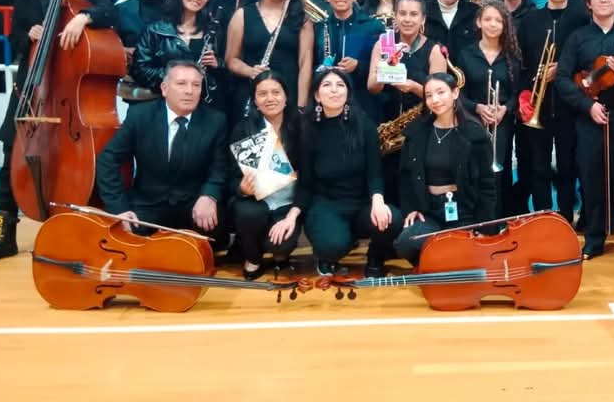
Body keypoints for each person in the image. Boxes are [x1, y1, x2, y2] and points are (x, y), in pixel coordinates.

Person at [0, 0, 118, 263]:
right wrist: (28, 34)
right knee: (11, 148)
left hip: (68, 88)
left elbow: (111, 12)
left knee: (88, 156)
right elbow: (15, 39)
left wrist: (85, 16)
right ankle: (7, 234)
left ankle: (87, 227)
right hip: (33, 86)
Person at [555, 0, 614, 267]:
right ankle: (593, 239)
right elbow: (564, 78)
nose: (604, 0)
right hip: (589, 116)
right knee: (591, 178)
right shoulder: (578, 37)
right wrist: (587, 104)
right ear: (589, 2)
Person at [96, 61, 230, 242]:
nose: (189, 91)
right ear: (165, 88)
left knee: (213, 234)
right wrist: (119, 208)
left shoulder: (215, 121)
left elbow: (219, 167)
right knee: (124, 238)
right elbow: (108, 160)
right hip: (148, 204)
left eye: (196, 85)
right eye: (181, 84)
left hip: (194, 203)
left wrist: (209, 196)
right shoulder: (140, 115)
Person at [301, 66, 402, 276]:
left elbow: (375, 172)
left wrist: (377, 200)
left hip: (360, 201)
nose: (335, 90)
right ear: (317, 95)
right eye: (327, 85)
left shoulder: (364, 125)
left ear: (348, 93)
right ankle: (330, 250)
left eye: (340, 85)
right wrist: (295, 213)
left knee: (392, 219)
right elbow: (306, 180)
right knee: (332, 245)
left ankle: (376, 254)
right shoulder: (306, 128)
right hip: (326, 203)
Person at [393, 72, 497, 265]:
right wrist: (412, 209)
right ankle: (440, 259)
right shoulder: (417, 132)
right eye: (429, 95)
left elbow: (487, 184)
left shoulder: (475, 134)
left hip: (465, 212)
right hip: (430, 210)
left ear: (455, 93)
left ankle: (444, 259)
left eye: (441, 92)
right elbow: (406, 175)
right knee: (405, 243)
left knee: (467, 253)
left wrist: (483, 226)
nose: (435, 99)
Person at [517, 0, 590, 223]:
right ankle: (542, 216)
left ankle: (566, 216)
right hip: (539, 103)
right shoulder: (530, 21)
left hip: (570, 105)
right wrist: (532, 84)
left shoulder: (582, 19)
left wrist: (562, 71)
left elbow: (588, 61)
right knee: (538, 165)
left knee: (569, 166)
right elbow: (521, 62)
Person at [367, 0, 448, 206]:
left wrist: (412, 87)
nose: (407, 19)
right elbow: (372, 87)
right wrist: (385, 72)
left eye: (413, 14)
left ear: (422, 19)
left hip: (422, 125)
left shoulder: (434, 50)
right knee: (389, 182)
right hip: (388, 125)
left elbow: (440, 96)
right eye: (402, 13)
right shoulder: (383, 44)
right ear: (395, 16)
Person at [230, 71, 304, 279]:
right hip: (255, 200)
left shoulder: (301, 127)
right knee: (248, 214)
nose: (270, 98)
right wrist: (241, 189)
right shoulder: (243, 129)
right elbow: (230, 177)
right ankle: (252, 257)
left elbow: (311, 175)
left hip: (288, 202)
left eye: (276, 92)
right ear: (254, 99)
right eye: (262, 94)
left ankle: (277, 252)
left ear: (286, 96)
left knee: (280, 245)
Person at [224, 0, 314, 117]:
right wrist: (251, 71)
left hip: (288, 93)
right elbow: (231, 59)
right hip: (252, 92)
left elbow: (305, 64)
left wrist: (301, 105)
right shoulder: (242, 15)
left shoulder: (302, 19)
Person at [457, 1, 522, 216]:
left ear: (505, 25)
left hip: (501, 123)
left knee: (497, 174)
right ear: (478, 22)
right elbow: (459, 93)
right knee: (472, 170)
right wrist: (477, 108)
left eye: (498, 20)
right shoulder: (466, 54)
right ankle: (473, 217)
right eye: (487, 19)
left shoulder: (512, 56)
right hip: (472, 121)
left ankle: (496, 218)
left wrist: (505, 108)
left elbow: (517, 93)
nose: (493, 24)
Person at [131, 0, 225, 108]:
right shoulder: (155, 30)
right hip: (161, 103)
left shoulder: (214, 30)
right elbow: (140, 69)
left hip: (204, 104)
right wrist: (177, 78)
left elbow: (227, 69)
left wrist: (218, 65)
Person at [314, 0, 383, 120]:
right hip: (328, 102)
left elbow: (384, 65)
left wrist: (358, 65)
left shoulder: (373, 26)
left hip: (364, 101)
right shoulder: (318, 27)